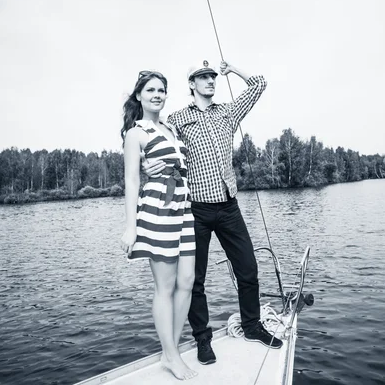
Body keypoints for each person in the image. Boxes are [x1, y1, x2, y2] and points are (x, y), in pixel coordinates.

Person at [143, 60, 283, 366]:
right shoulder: (178, 118)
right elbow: (154, 139)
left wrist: (231, 68)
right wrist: (148, 162)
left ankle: (252, 326)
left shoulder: (227, 113)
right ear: (192, 83)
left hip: (229, 206)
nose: (210, 80)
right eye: (203, 77)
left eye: (211, 76)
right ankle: (203, 339)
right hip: (197, 211)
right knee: (195, 281)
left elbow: (258, 84)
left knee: (248, 269)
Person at [119, 70, 197, 380]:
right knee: (165, 286)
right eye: (150, 89)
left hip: (183, 208)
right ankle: (173, 356)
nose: (157, 94)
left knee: (187, 280)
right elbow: (131, 179)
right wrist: (130, 226)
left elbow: (178, 164)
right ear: (139, 96)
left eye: (161, 90)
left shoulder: (171, 128)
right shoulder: (135, 133)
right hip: (157, 210)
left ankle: (169, 351)